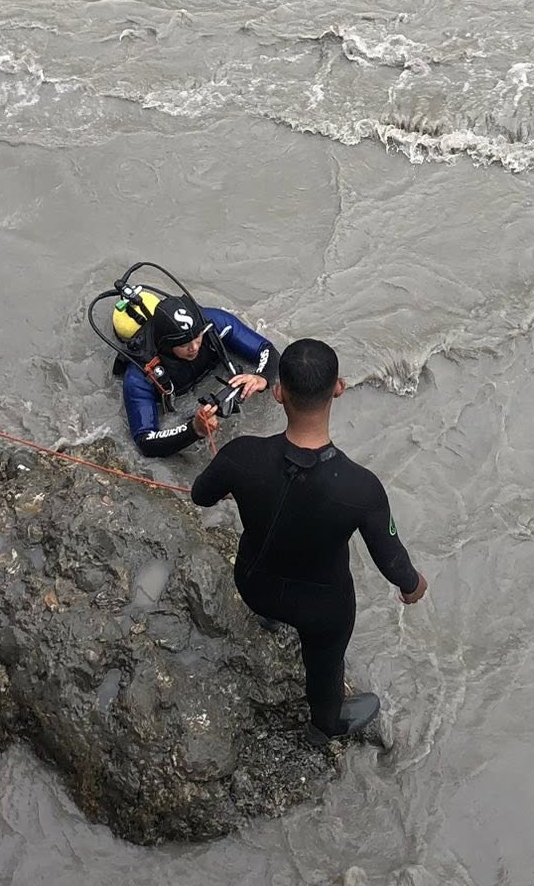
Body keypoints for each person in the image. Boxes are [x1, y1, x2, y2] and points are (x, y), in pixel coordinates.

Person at [191, 338, 428, 740]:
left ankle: (269, 621)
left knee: (271, 583)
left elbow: (200, 494)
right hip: (323, 611)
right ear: (339, 388)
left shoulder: (241, 455)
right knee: (324, 665)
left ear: (279, 392)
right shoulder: (361, 488)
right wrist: (412, 585)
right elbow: (390, 559)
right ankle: (326, 724)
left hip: (254, 586)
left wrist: (218, 457)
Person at [116, 294, 274, 458]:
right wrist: (193, 429)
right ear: (167, 344)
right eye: (184, 344)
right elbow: (145, 441)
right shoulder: (139, 376)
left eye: (197, 337)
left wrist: (261, 377)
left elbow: (266, 348)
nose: (194, 347)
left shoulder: (214, 323)